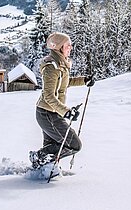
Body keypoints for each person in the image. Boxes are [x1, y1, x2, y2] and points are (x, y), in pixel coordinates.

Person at [29, 32, 95, 169]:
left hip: (52, 113)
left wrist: (84, 80)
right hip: (47, 113)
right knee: (74, 145)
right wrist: (66, 112)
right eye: (67, 45)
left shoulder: (60, 64)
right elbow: (48, 95)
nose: (70, 47)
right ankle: (38, 157)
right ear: (59, 47)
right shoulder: (51, 67)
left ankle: (41, 172)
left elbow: (64, 83)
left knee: (51, 148)